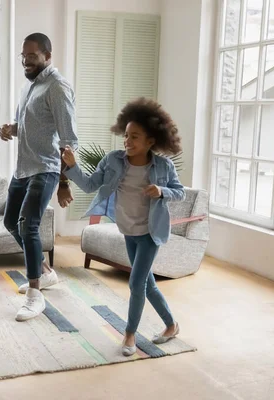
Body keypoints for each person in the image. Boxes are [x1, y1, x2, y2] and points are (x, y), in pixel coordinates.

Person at [62, 97, 184, 356]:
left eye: (135, 137)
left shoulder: (163, 166)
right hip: (128, 230)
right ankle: (171, 325)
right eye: (126, 136)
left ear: (151, 141)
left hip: (151, 233)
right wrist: (72, 167)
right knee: (147, 285)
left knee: (136, 284)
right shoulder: (113, 160)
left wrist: (161, 190)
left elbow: (180, 193)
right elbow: (89, 185)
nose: (127, 141)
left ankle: (130, 334)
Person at [0, 33, 78, 321]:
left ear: (47, 55)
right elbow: (33, 125)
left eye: (32, 56)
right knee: (11, 222)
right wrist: (12, 128)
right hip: (23, 168)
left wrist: (64, 182)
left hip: (45, 168)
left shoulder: (57, 87)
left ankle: (35, 296)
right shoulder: (29, 86)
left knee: (28, 225)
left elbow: (69, 140)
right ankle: (45, 273)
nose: (26, 61)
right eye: (24, 56)